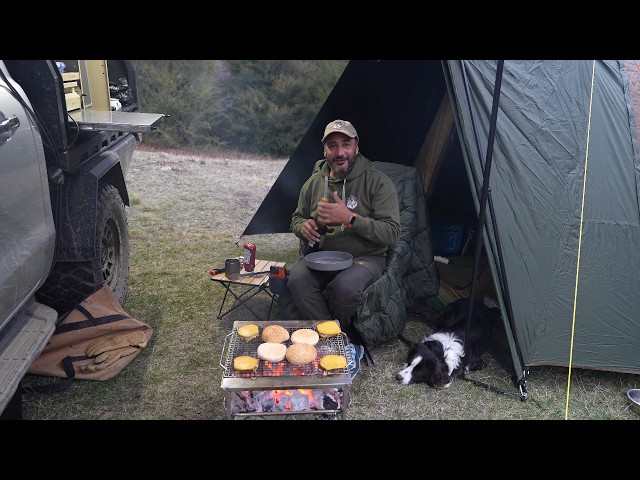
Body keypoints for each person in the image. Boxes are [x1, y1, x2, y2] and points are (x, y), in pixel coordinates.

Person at [287, 119, 401, 341]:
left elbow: (392, 233)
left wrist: (349, 218)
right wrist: (303, 227)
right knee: (298, 280)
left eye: (346, 144)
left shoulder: (378, 182)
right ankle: (331, 338)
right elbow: (296, 218)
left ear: (356, 147)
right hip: (323, 256)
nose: (340, 152)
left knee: (345, 288)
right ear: (324, 150)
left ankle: (334, 336)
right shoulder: (313, 183)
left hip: (366, 257)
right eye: (332, 145)